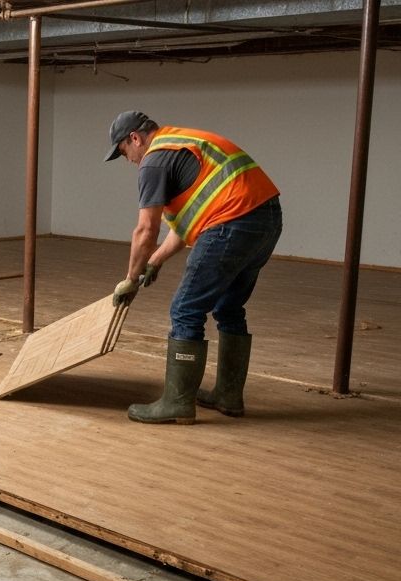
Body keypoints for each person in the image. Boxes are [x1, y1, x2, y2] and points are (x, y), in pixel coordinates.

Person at [105, 111, 282, 423]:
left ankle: (177, 403)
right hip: (265, 220)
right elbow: (187, 225)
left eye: (123, 151)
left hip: (231, 222)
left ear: (135, 138)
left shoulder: (154, 160)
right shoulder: (183, 144)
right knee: (229, 307)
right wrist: (155, 261)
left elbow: (146, 230)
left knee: (185, 309)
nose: (128, 160)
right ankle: (228, 395)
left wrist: (130, 278)